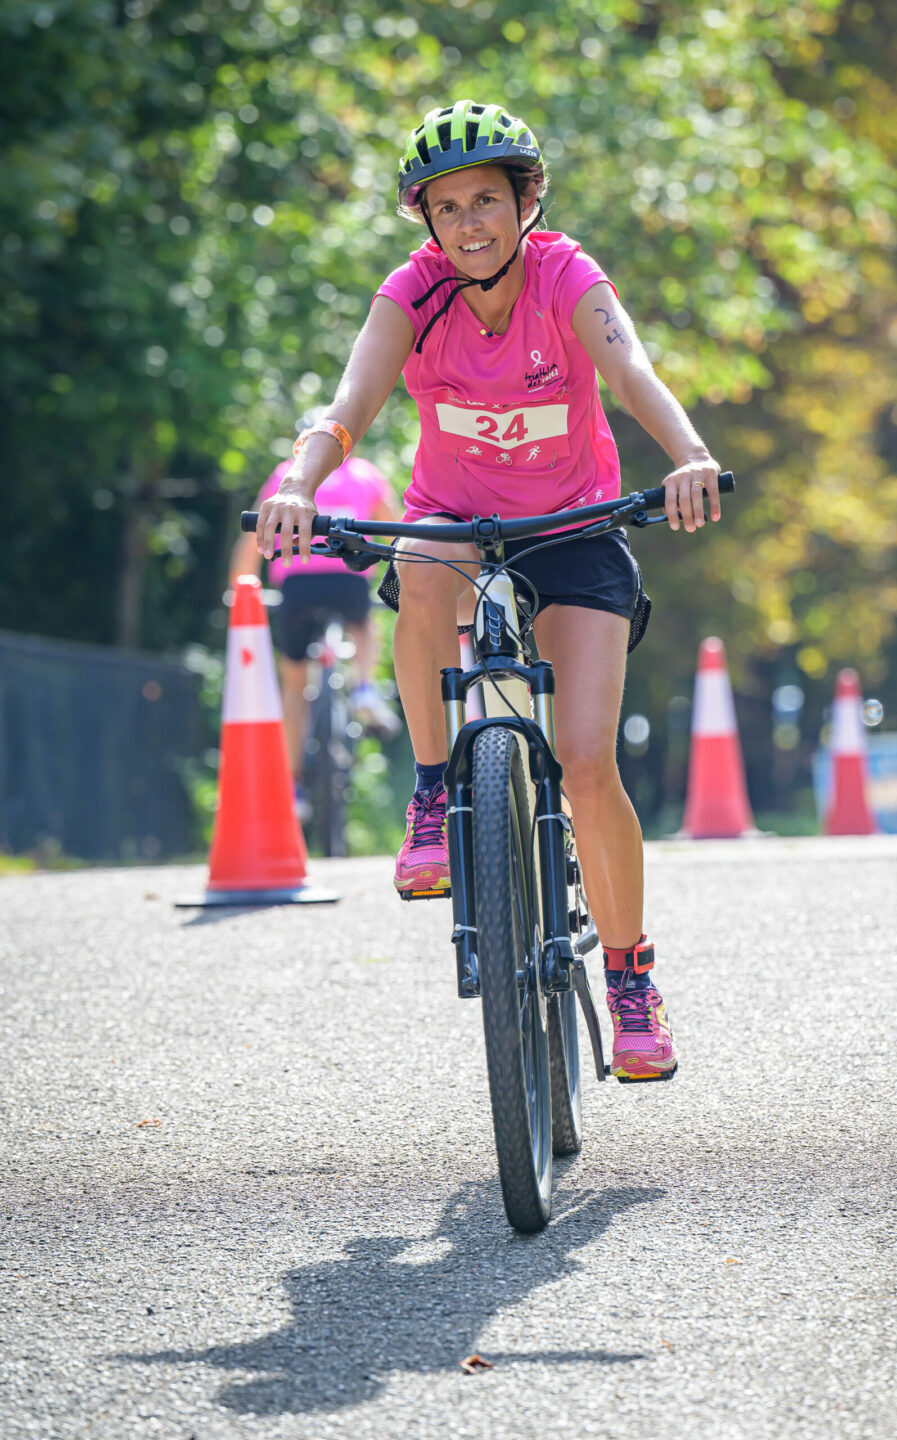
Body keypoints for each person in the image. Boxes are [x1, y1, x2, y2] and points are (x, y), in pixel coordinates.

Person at [255, 100, 723, 1082]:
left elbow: (631, 372)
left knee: (589, 765)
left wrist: (689, 456)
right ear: (426, 221)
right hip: (456, 531)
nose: (469, 223)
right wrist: (298, 481)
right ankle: (435, 792)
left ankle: (634, 979)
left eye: (487, 201)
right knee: (418, 561)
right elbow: (349, 407)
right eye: (448, 207)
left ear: (526, 203)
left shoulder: (566, 275)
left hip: (573, 530)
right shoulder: (413, 293)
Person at [231, 412, 402, 807]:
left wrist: (241, 592)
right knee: (364, 625)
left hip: (296, 581)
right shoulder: (364, 474)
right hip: (347, 580)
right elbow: (396, 528)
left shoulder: (284, 475)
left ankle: (293, 788)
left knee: (295, 684)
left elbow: (251, 539)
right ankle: (363, 688)